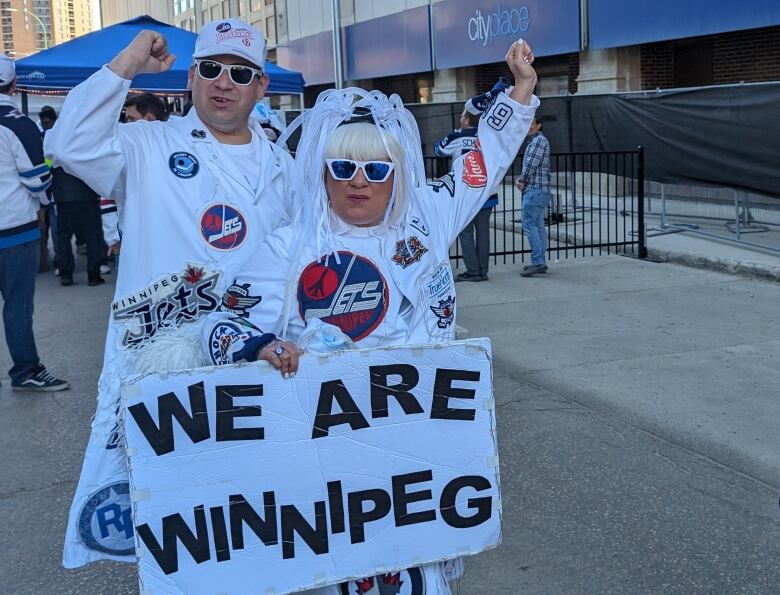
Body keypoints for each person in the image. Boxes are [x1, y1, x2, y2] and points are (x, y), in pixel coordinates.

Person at [203, 39, 538, 594]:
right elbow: (223, 323)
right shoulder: (289, 247)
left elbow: (482, 168)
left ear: (396, 175)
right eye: (344, 167)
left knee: (409, 567)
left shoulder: (424, 222)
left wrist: (520, 92)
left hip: (410, 447)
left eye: (377, 168)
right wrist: (260, 347)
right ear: (324, 174)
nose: (360, 180)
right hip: (319, 455)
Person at [44, 18, 296, 567]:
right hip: (160, 367)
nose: (222, 81)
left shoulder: (285, 165)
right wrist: (129, 61)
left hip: (251, 363)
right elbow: (66, 142)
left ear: (261, 87)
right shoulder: (146, 145)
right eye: (209, 68)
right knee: (172, 528)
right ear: (190, 79)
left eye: (240, 72)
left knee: (249, 512)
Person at [0, 55, 68, 391]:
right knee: (17, 306)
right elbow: (37, 178)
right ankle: (25, 370)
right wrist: (44, 200)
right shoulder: (16, 123)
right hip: (13, 229)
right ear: (13, 85)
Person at [101, 93, 169, 261]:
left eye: (131, 119)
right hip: (134, 245)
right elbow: (107, 197)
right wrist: (113, 237)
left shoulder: (179, 152)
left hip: (171, 245)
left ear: (149, 118)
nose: (125, 124)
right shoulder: (123, 153)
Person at [435, 108, 498, 282]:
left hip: (466, 193)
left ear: (466, 120)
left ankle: (472, 271)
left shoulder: (458, 136)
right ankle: (483, 271)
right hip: (488, 191)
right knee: (484, 232)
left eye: (463, 115)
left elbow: (439, 149)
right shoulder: (491, 136)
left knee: (465, 232)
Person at [516, 117, 551, 277]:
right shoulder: (536, 141)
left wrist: (521, 180)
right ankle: (540, 261)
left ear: (539, 125)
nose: (528, 127)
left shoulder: (538, 142)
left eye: (531, 124)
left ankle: (537, 262)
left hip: (535, 190)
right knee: (538, 225)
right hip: (539, 190)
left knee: (529, 225)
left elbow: (531, 164)